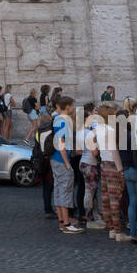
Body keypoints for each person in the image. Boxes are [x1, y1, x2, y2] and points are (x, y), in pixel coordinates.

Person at [118, 100, 137, 243]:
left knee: (132, 202)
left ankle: (133, 232)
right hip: (136, 170)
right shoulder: (133, 136)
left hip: (126, 169)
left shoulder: (120, 137)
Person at [51, 96, 82, 233]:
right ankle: (67, 223)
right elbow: (61, 142)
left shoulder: (57, 119)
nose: (74, 108)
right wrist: (67, 164)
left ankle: (62, 221)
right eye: (73, 105)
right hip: (61, 159)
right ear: (68, 106)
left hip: (55, 159)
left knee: (58, 189)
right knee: (65, 190)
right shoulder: (63, 121)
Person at [95, 102, 125, 241]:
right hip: (112, 165)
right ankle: (118, 232)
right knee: (115, 199)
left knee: (106, 198)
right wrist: (121, 170)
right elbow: (114, 151)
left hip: (103, 163)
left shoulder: (98, 129)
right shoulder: (110, 130)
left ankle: (111, 229)